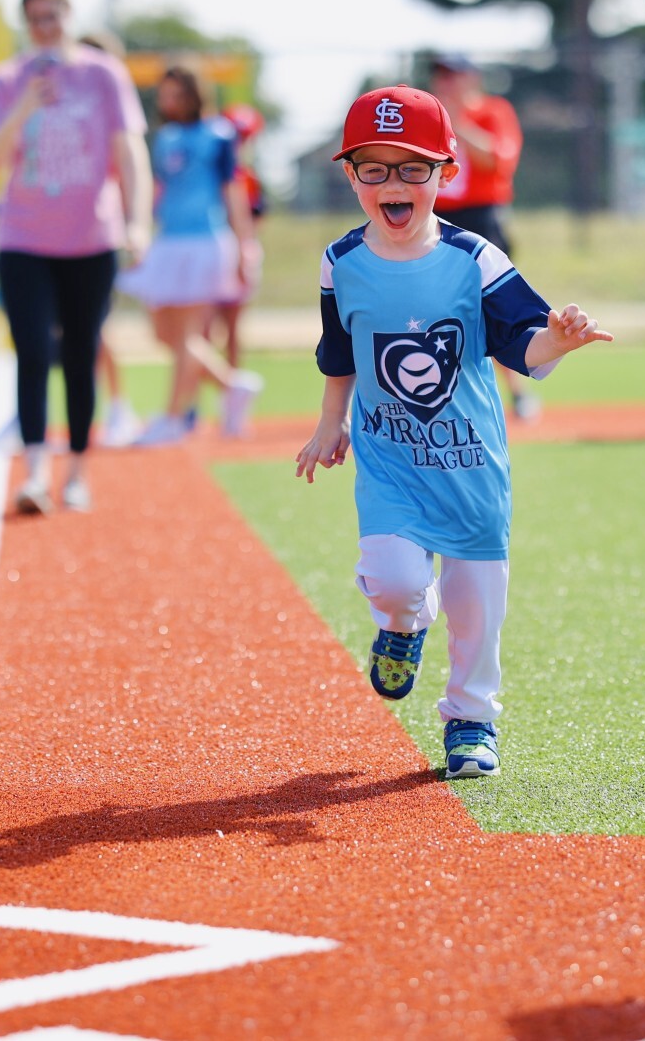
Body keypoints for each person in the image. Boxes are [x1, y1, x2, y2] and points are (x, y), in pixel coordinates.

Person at [297, 85, 612, 778]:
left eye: (412, 167)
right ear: (350, 175)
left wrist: (558, 340)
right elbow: (339, 349)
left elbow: (522, 346)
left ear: (446, 172)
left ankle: (471, 719)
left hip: (470, 467)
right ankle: (404, 623)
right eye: (374, 167)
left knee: (475, 609)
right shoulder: (339, 262)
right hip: (390, 465)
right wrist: (330, 422)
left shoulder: (476, 259)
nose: (393, 183)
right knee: (393, 580)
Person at [0, 0, 151, 514]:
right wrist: (25, 104)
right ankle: (33, 473)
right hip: (23, 238)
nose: (45, 28)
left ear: (70, 15)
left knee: (81, 353)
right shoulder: (7, 80)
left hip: (90, 238)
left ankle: (75, 472)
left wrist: (138, 220)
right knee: (31, 350)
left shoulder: (103, 75)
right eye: (34, 19)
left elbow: (129, 153)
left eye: (53, 16)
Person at [118, 66, 263, 446]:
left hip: (205, 241)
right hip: (168, 241)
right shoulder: (164, 138)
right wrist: (140, 231)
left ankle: (172, 417)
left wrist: (245, 246)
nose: (170, 102)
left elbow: (233, 193)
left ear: (195, 95)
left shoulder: (218, 134)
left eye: (177, 94)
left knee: (187, 333)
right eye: (165, 94)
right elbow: (159, 189)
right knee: (162, 331)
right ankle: (232, 385)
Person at [429, 54, 539, 422]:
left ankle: (517, 392)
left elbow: (498, 159)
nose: (445, 83)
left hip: (481, 216)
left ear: (471, 77)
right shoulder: (428, 118)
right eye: (440, 75)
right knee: (436, 308)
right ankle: (438, 393)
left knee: (490, 305)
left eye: (453, 75)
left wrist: (456, 121)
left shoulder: (493, 111)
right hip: (437, 219)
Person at [75, 28, 144, 449]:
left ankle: (119, 406)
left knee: (95, 327)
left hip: (101, 234)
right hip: (61, 237)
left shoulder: (115, 116)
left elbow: (127, 175)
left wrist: (132, 230)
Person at [213, 101, 268, 371]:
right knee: (202, 331)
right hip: (213, 250)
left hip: (240, 250)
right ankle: (192, 405)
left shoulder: (248, 177)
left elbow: (257, 217)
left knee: (232, 329)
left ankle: (232, 398)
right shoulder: (213, 175)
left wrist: (243, 250)